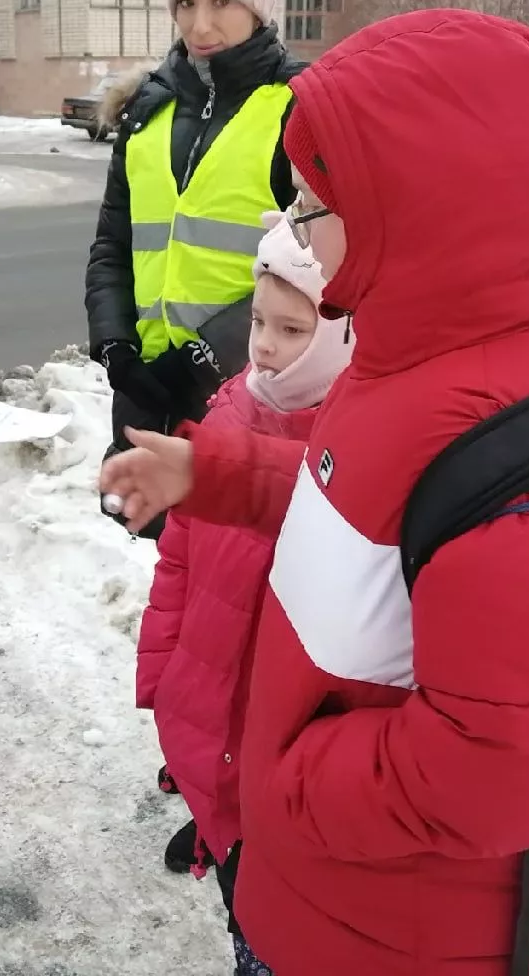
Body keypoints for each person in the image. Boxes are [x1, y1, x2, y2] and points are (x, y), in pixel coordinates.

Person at [101, 9, 529, 975]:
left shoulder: (512, 444)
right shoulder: (414, 362)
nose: (294, 223)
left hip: (405, 937)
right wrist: (216, 473)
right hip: (334, 903)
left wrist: (287, 779)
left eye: (312, 202)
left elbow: (499, 771)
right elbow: (380, 506)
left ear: (422, 206)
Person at [135, 215, 353, 976]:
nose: (263, 345)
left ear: (346, 332)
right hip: (209, 715)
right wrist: (162, 678)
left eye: (292, 329)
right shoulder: (230, 407)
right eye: (259, 320)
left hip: (287, 751)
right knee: (239, 893)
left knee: (277, 923)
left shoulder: (360, 446)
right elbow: (180, 564)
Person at [84, 0, 304, 543]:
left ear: (259, 8)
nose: (199, 24)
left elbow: (319, 267)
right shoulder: (146, 109)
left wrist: (198, 361)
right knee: (171, 568)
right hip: (145, 387)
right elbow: (113, 245)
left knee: (236, 566)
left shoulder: (299, 107)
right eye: (184, 2)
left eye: (221, 1)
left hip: (251, 389)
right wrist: (118, 349)